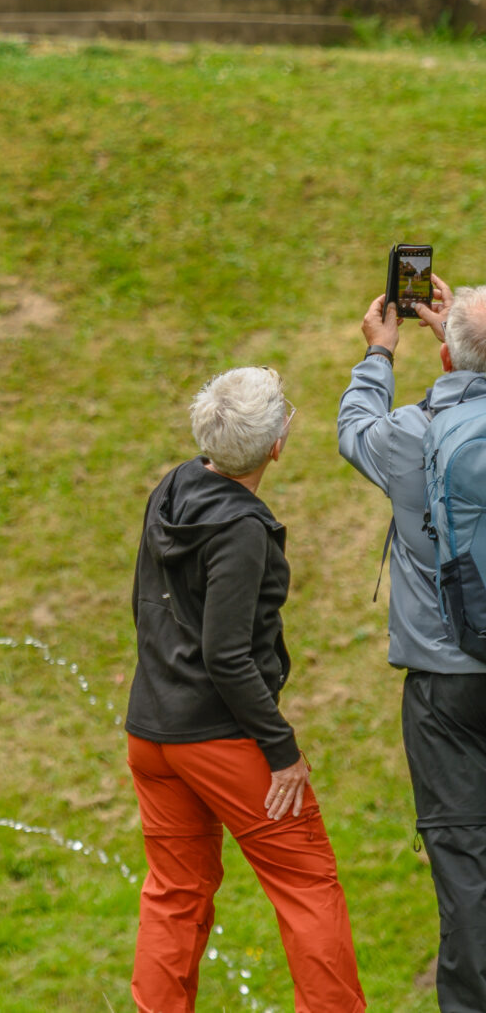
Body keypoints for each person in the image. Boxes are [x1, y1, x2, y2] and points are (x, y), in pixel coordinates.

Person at [127, 366, 365, 1013]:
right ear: (277, 446)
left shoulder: (171, 488)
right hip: (222, 738)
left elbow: (147, 608)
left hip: (151, 730)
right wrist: (281, 750)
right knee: (308, 884)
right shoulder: (240, 528)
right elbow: (226, 655)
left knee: (174, 893)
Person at [339, 276, 486, 1013]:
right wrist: (463, 336)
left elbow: (352, 429)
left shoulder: (410, 434)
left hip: (442, 682)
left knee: (463, 863)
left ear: (449, 358)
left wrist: (382, 352)